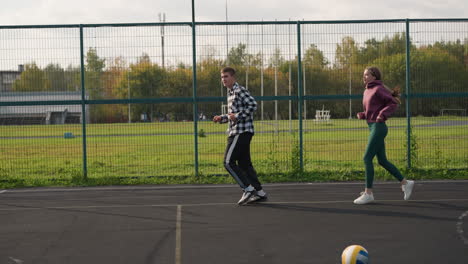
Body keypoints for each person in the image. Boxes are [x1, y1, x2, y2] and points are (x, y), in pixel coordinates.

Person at [354, 66, 414, 205]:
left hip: (379, 127)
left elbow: (392, 103)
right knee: (382, 161)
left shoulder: (378, 89)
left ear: (374, 76)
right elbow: (372, 110)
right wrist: (363, 115)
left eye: (367, 75)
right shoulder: (367, 91)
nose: (364, 77)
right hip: (373, 126)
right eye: (363, 75)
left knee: (367, 158)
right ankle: (405, 183)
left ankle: (368, 193)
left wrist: (383, 115)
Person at [213, 67, 267, 205]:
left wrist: (236, 116)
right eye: (222, 77)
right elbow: (233, 115)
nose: (223, 79)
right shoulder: (230, 93)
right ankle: (259, 192)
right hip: (238, 131)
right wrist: (222, 118)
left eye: (226, 76)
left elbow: (253, 105)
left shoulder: (239, 90)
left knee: (227, 162)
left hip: (241, 132)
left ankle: (247, 189)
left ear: (233, 77)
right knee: (244, 165)